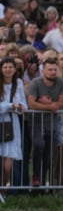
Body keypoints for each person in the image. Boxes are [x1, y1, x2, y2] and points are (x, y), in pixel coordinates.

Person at [26, 56, 63, 187]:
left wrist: (43, 102)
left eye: (55, 70)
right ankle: (36, 174)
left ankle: (42, 185)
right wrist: (49, 106)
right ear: (43, 71)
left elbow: (61, 103)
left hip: (52, 123)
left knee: (48, 155)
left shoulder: (60, 82)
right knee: (39, 144)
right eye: (49, 70)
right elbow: (31, 104)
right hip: (35, 122)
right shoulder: (35, 83)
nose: (53, 72)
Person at [0, 57, 27, 186]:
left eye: (10, 67)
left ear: (15, 69)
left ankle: (3, 189)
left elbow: (23, 104)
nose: (8, 69)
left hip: (11, 126)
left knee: (7, 167)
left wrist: (19, 108)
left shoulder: (19, 83)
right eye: (5, 67)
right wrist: (10, 106)